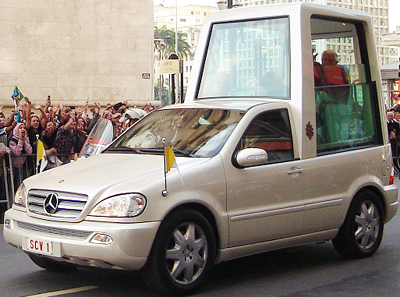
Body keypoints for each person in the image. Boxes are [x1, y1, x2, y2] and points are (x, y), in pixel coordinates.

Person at [8, 123, 33, 188]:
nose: (23, 129)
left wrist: (25, 141)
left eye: (24, 128)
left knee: (19, 185)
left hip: (21, 166)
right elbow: (17, 152)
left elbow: (29, 152)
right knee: (11, 186)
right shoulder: (12, 140)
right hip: (12, 166)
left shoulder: (26, 139)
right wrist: (20, 140)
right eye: (20, 128)